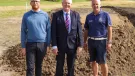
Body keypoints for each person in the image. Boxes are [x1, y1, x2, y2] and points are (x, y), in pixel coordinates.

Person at [51, 0, 83, 76]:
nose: (66, 4)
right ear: (62, 4)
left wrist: (80, 45)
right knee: (59, 65)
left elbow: (80, 31)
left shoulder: (76, 15)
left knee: (71, 66)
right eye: (65, 3)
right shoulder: (56, 15)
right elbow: (53, 31)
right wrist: (54, 45)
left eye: (68, 3)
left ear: (71, 4)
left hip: (72, 45)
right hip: (60, 45)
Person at [20, 0, 51, 76]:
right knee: (30, 67)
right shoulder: (26, 15)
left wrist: (48, 44)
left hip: (42, 44)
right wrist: (23, 46)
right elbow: (23, 31)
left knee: (39, 66)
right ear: (30, 3)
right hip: (30, 44)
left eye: (37, 1)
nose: (35, 3)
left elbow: (49, 30)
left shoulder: (45, 15)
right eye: (33, 1)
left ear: (39, 3)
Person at [84, 0, 112, 76]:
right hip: (91, 41)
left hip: (101, 42)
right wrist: (84, 41)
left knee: (103, 62)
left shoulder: (106, 15)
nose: (95, 6)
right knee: (93, 61)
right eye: (93, 4)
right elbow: (86, 29)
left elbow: (109, 28)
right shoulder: (88, 16)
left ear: (100, 5)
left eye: (97, 4)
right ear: (91, 5)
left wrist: (109, 42)